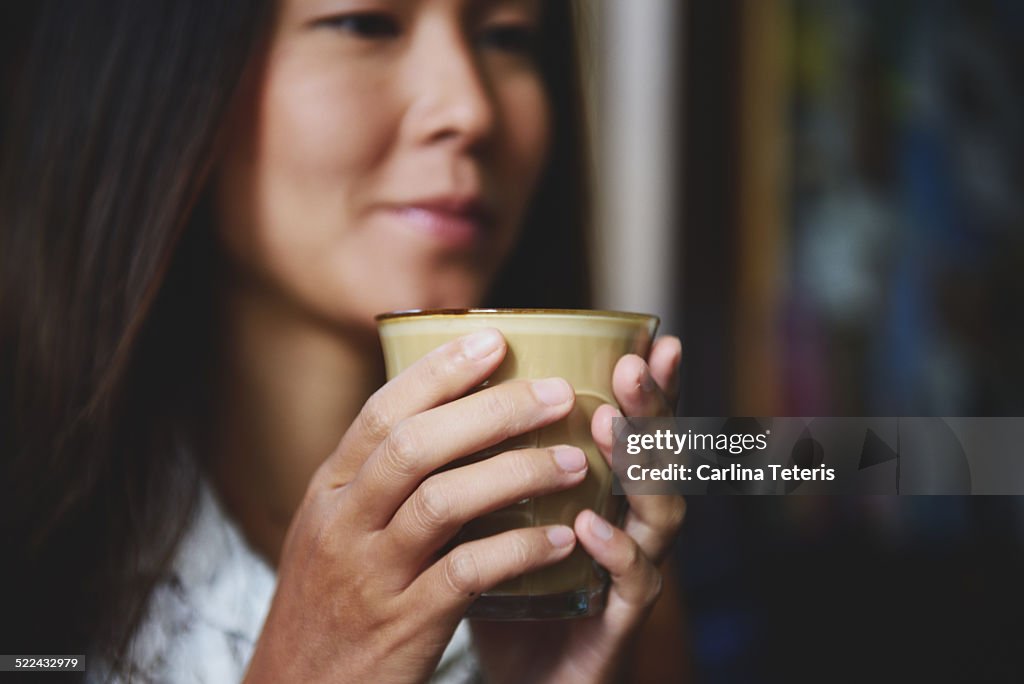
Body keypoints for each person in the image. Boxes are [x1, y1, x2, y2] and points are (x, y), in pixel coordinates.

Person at [1, 0, 686, 681]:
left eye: (506, 36)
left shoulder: (614, 596)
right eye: (365, 24)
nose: (470, 109)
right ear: (165, 74)